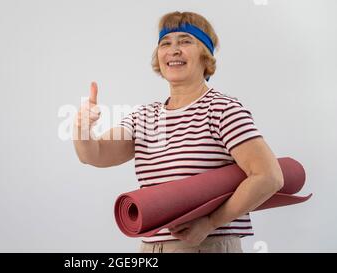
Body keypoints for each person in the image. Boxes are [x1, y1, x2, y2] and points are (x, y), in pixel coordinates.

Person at [72, 11, 284, 253]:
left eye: (185, 41)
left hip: (207, 244)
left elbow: (269, 176)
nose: (173, 50)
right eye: (166, 43)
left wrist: (210, 223)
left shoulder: (222, 109)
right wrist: (82, 129)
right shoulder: (144, 116)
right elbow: (95, 155)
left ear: (205, 55)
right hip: (151, 248)